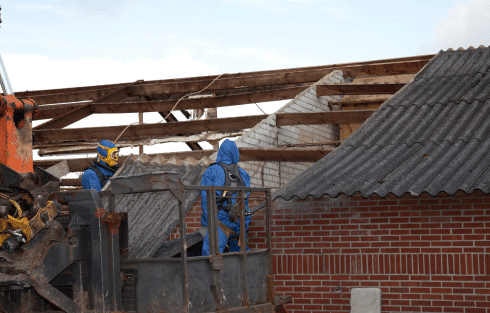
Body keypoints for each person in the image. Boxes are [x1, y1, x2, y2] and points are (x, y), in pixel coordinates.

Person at [201, 139, 251, 256]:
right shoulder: (243, 173)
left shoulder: (212, 171)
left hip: (221, 222)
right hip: (240, 222)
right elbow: (246, 200)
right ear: (235, 153)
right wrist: (245, 224)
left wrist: (207, 223)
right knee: (241, 258)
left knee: (211, 258)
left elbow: (206, 200)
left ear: (221, 152)